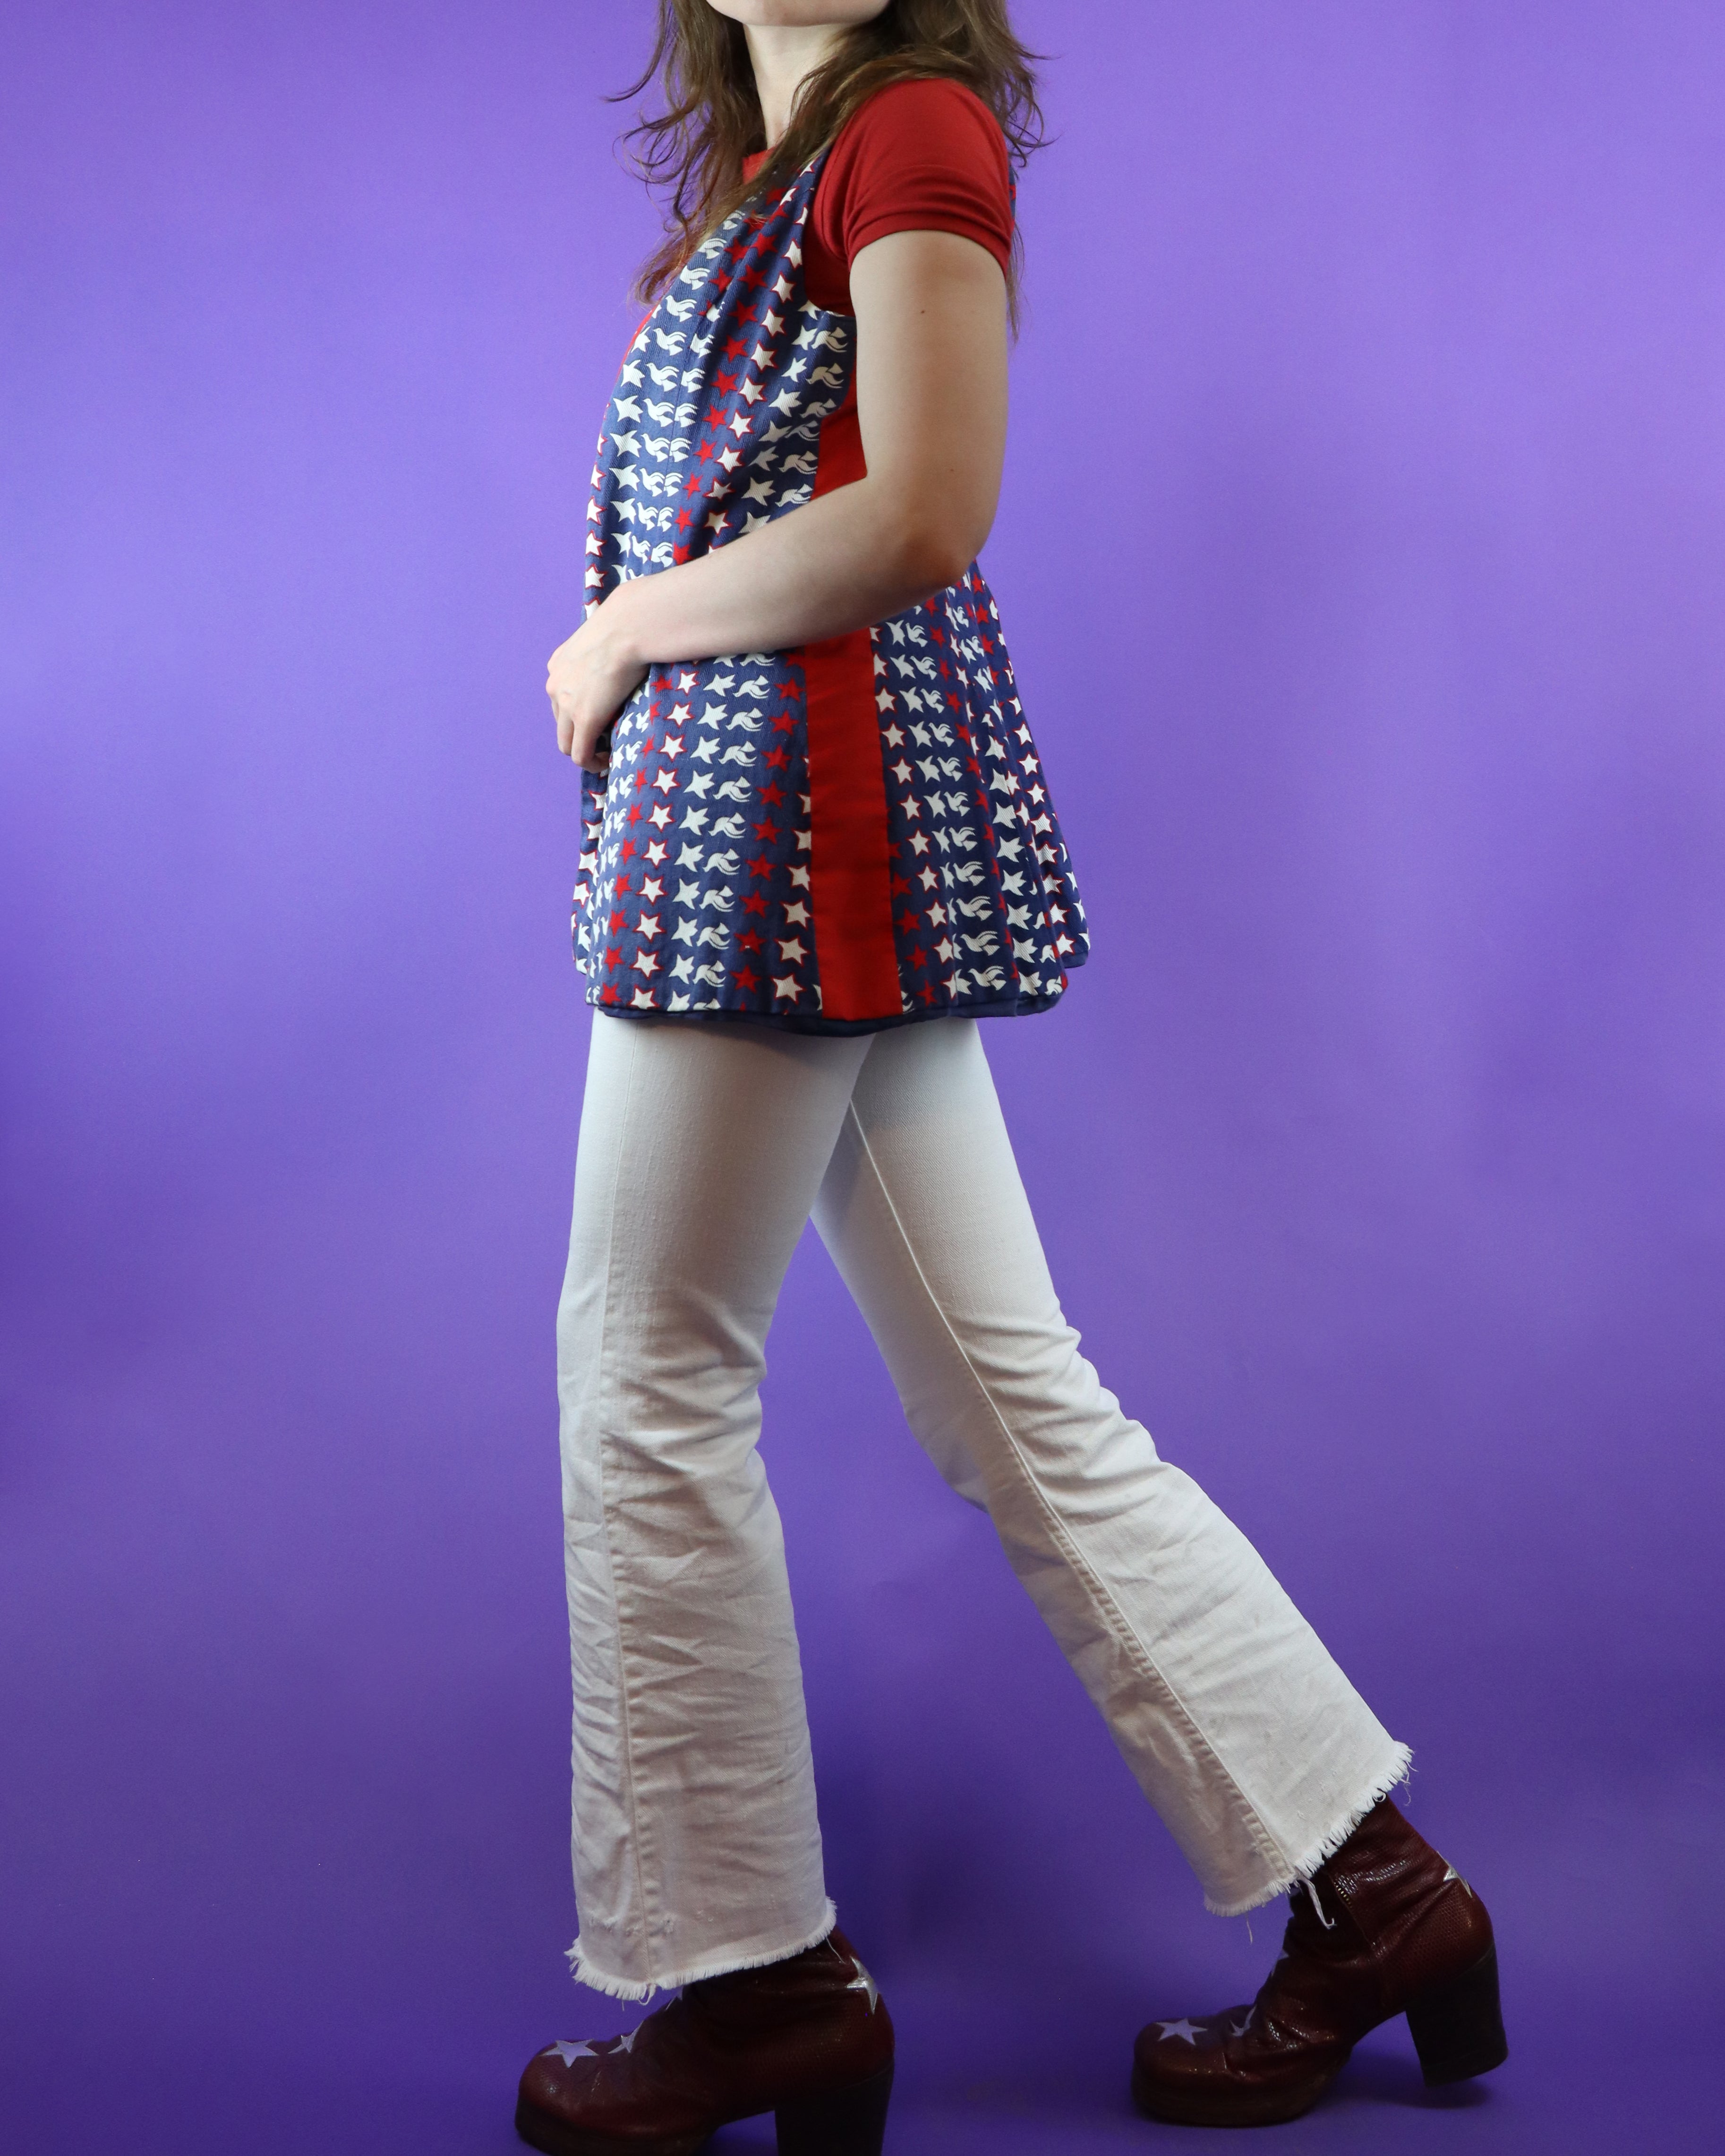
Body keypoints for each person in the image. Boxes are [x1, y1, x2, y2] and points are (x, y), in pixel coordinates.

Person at [517, 4, 1507, 2149]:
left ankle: (758, 1982)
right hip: (810, 832)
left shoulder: (910, 134)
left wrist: (626, 629)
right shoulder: (803, 168)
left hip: (784, 831)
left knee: (645, 1375)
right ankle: (1377, 1894)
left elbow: (924, 510)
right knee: (1012, 1398)